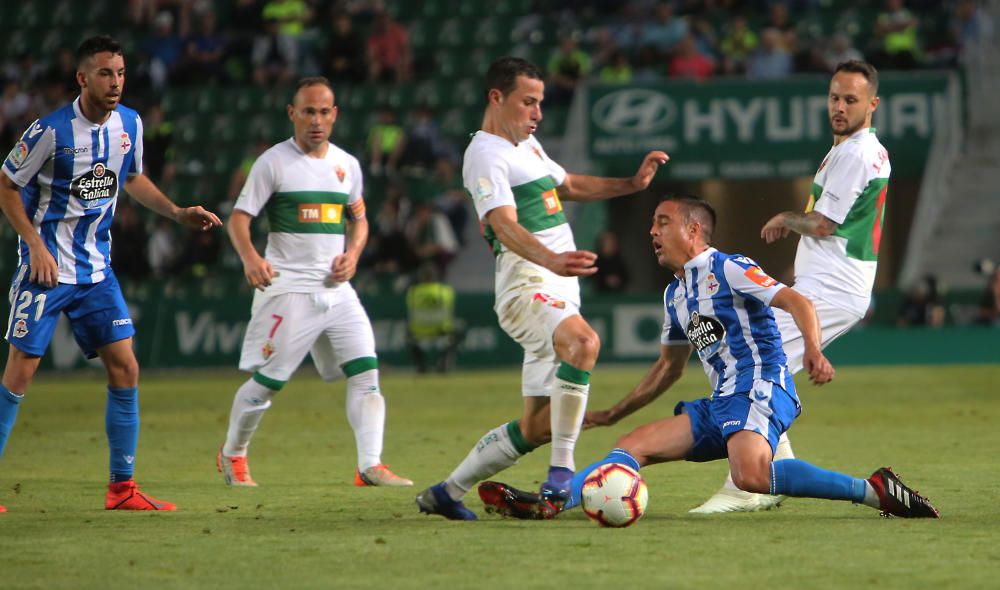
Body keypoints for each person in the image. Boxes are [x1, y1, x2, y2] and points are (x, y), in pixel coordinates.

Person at [479, 197, 939, 520]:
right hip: (721, 402)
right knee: (632, 444)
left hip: (761, 385)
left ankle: (874, 490)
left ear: (693, 230)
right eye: (653, 223)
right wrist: (615, 411)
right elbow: (668, 368)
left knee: (751, 475)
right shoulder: (675, 294)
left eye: (663, 222)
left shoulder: (729, 267)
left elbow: (798, 302)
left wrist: (813, 350)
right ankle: (552, 501)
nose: (652, 231)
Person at [415, 56, 668, 520]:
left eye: (541, 103)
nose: (537, 113)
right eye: (528, 102)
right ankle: (561, 474)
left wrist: (631, 183)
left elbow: (568, 184)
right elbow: (502, 224)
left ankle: (447, 493)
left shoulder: (526, 147)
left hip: (555, 288)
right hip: (526, 284)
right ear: (497, 98)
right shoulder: (486, 154)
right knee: (584, 342)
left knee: (536, 426)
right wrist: (551, 259)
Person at [0, 35, 222, 513]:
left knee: (126, 367)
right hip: (47, 271)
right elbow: (5, 184)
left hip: (97, 271)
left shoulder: (129, 124)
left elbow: (133, 178)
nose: (116, 82)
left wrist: (178, 212)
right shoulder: (50, 132)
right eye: (105, 73)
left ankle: (122, 489)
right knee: (20, 373)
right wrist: (35, 245)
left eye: (120, 73)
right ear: (83, 78)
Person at [683, 59, 893, 513]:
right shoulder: (858, 150)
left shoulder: (855, 154)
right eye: (835, 97)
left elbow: (822, 223)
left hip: (834, 288)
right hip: (834, 284)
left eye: (851, 100)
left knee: (750, 362)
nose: (839, 107)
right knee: (753, 361)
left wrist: (785, 218)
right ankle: (774, 469)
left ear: (873, 104)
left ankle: (747, 486)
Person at [217, 76, 412, 489]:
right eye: (308, 111)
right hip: (288, 289)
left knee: (366, 372)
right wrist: (251, 258)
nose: (316, 120)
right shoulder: (273, 162)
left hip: (337, 291)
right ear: (292, 114)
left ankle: (370, 466)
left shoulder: (347, 165)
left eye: (324, 112)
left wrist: (354, 255)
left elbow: (359, 219)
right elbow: (239, 218)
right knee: (270, 381)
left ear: (335, 115)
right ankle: (233, 454)